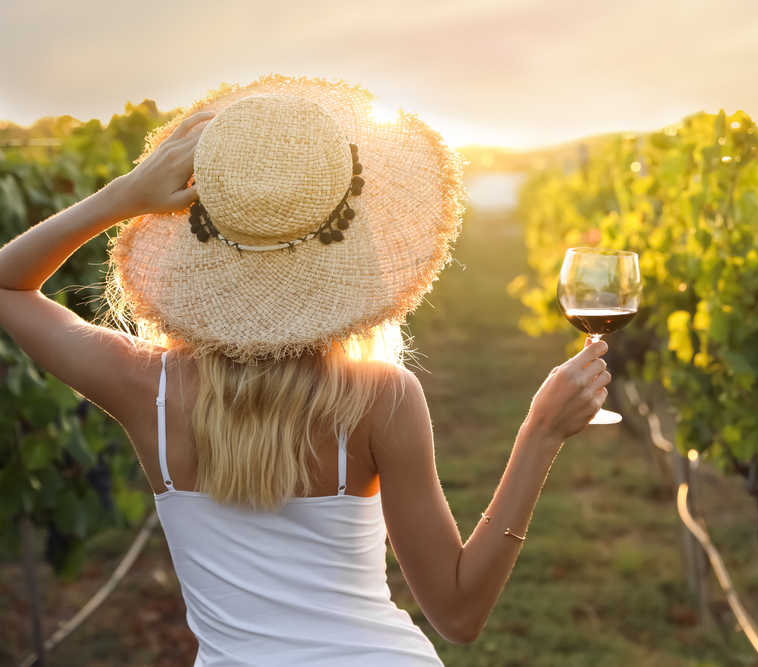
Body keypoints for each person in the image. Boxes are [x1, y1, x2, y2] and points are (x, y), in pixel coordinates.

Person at [0, 75, 611, 666]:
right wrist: (541, 432)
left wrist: (125, 196)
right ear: (350, 244)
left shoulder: (145, 390)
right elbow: (458, 614)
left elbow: (8, 284)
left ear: (200, 235)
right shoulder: (379, 399)